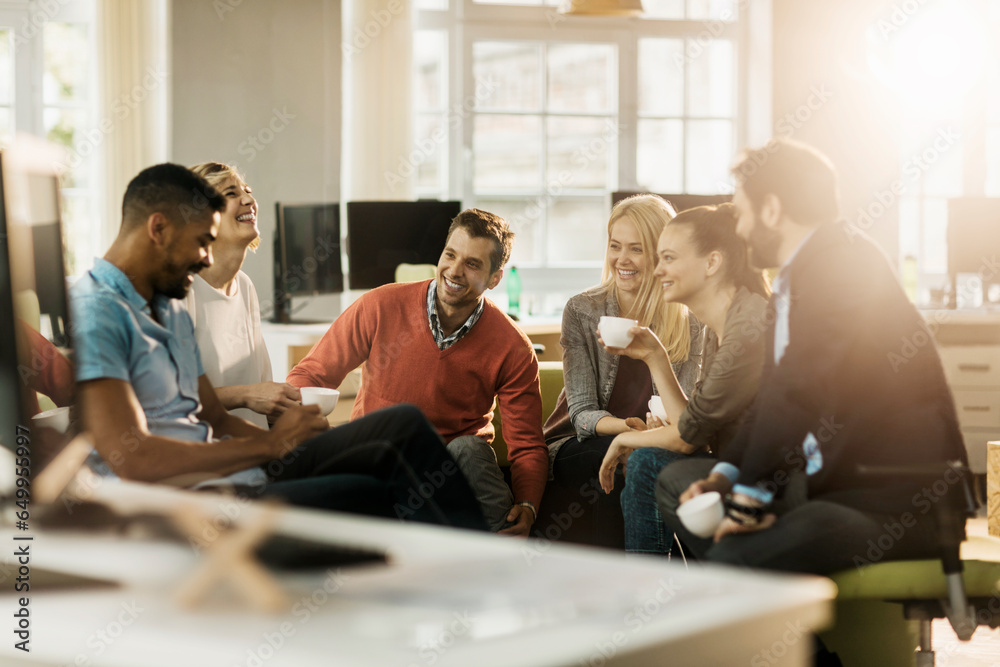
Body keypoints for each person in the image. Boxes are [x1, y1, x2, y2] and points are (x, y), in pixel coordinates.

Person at [70, 163, 486, 531]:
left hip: (237, 470)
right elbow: (132, 459)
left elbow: (212, 415)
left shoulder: (167, 305)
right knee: (374, 493)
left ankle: (482, 574)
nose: (202, 259)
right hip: (194, 500)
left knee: (402, 425)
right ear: (158, 229)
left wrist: (287, 438)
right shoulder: (99, 310)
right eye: (200, 242)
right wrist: (269, 447)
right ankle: (475, 585)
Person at [656, 138, 968, 575]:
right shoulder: (805, 272)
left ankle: (791, 628)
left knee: (733, 556)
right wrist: (725, 477)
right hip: (833, 482)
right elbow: (774, 399)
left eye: (742, 212)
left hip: (890, 501)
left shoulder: (842, 267)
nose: (740, 228)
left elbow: (799, 392)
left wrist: (748, 501)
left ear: (771, 210)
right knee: (677, 482)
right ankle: (778, 611)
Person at [287, 209, 546, 535]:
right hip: (381, 456)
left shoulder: (512, 346)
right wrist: (292, 422)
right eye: (450, 255)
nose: (454, 270)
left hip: (454, 468)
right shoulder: (379, 305)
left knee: (470, 449)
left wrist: (528, 505)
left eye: (472, 263)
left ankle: (505, 554)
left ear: (495, 278)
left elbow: (527, 445)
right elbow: (312, 374)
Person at [596, 203, 771, 555]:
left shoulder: (747, 329)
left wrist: (624, 440)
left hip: (768, 479)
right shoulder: (717, 327)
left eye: (669, 258)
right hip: (736, 468)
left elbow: (687, 438)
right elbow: (693, 429)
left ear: (712, 263)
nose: (658, 270)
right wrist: (655, 356)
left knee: (647, 463)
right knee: (649, 461)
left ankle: (652, 599)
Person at [542, 194, 702, 548]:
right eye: (615, 246)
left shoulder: (690, 320)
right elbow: (582, 415)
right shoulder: (583, 310)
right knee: (619, 458)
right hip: (579, 441)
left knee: (650, 460)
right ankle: (619, 585)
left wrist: (644, 438)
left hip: (653, 442)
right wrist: (630, 431)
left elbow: (686, 418)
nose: (622, 260)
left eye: (637, 249)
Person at [183, 162, 299, 429]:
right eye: (231, 193)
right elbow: (167, 399)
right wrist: (246, 395)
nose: (249, 199)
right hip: (213, 461)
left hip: (258, 453)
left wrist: (299, 417)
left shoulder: (245, 287)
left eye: (247, 191)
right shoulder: (181, 290)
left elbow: (267, 399)